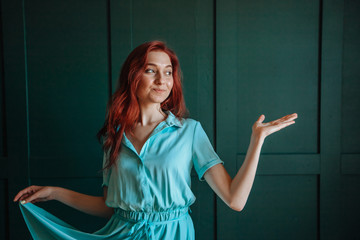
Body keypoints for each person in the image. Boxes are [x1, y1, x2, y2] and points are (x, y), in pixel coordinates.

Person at [13, 40, 298, 240]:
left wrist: (256, 140)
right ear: (133, 77)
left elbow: (235, 200)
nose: (162, 80)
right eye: (151, 70)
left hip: (174, 233)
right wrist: (54, 193)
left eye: (168, 72)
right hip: (121, 234)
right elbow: (109, 206)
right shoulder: (115, 135)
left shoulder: (189, 132)